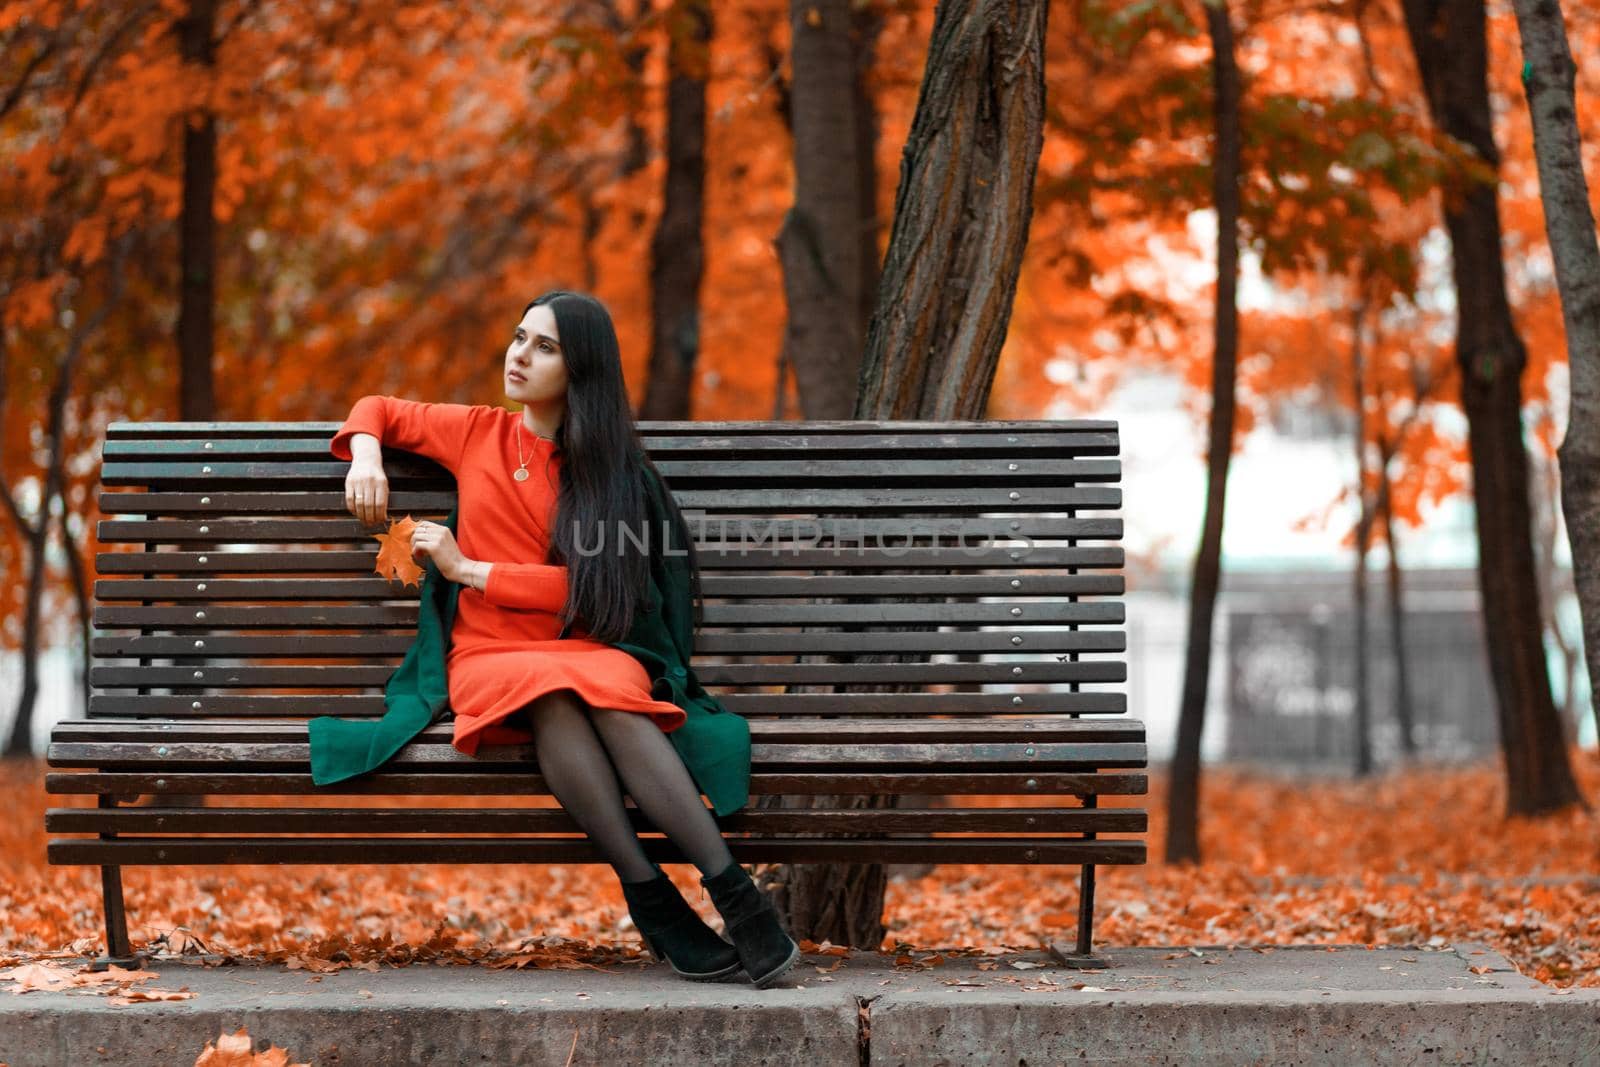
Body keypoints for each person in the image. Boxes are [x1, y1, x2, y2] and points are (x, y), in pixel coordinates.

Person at [331, 290, 799, 987]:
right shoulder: (476, 432)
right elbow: (377, 408)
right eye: (519, 337)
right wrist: (365, 456)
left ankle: (734, 893)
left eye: (544, 346)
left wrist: (470, 568)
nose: (520, 355)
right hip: (489, 654)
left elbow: (595, 591)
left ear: (581, 369)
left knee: (606, 689)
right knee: (551, 693)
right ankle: (654, 898)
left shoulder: (612, 475)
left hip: (584, 647)